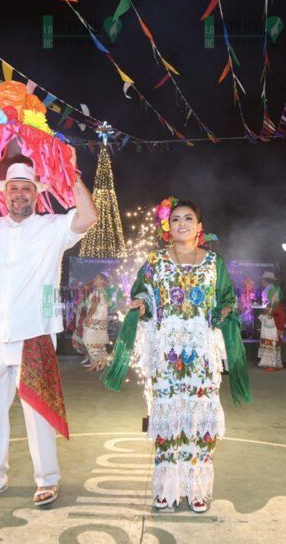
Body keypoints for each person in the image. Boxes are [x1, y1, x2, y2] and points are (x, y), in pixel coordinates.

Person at [0, 154, 96, 507]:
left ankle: (48, 479)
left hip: (34, 334)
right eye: (14, 188)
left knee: (38, 412)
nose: (20, 194)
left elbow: (88, 216)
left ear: (36, 194)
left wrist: (69, 173)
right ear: (3, 194)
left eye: (26, 188)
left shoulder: (53, 227)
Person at [103, 198, 250, 513]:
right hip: (167, 351)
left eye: (188, 218)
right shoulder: (155, 261)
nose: (182, 223)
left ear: (199, 227)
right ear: (167, 226)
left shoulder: (214, 262)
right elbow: (143, 291)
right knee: (168, 417)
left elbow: (226, 297)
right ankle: (167, 489)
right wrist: (141, 304)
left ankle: (197, 489)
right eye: (176, 219)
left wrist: (225, 309)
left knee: (200, 418)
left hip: (201, 351)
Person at [81, 273, 111, 371]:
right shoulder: (103, 291)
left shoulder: (97, 291)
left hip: (95, 318)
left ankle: (100, 361)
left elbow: (94, 305)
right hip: (101, 318)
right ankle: (97, 363)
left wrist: (89, 317)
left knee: (88, 339)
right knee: (98, 341)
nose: (94, 279)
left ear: (102, 281)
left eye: (96, 278)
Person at [258, 286, 286, 371]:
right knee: (269, 346)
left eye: (277, 295)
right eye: (274, 295)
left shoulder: (278, 306)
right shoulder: (269, 305)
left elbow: (283, 318)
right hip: (267, 330)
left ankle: (273, 364)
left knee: (273, 346)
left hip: (274, 330)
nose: (275, 296)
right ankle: (270, 363)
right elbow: (265, 314)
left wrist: (280, 329)